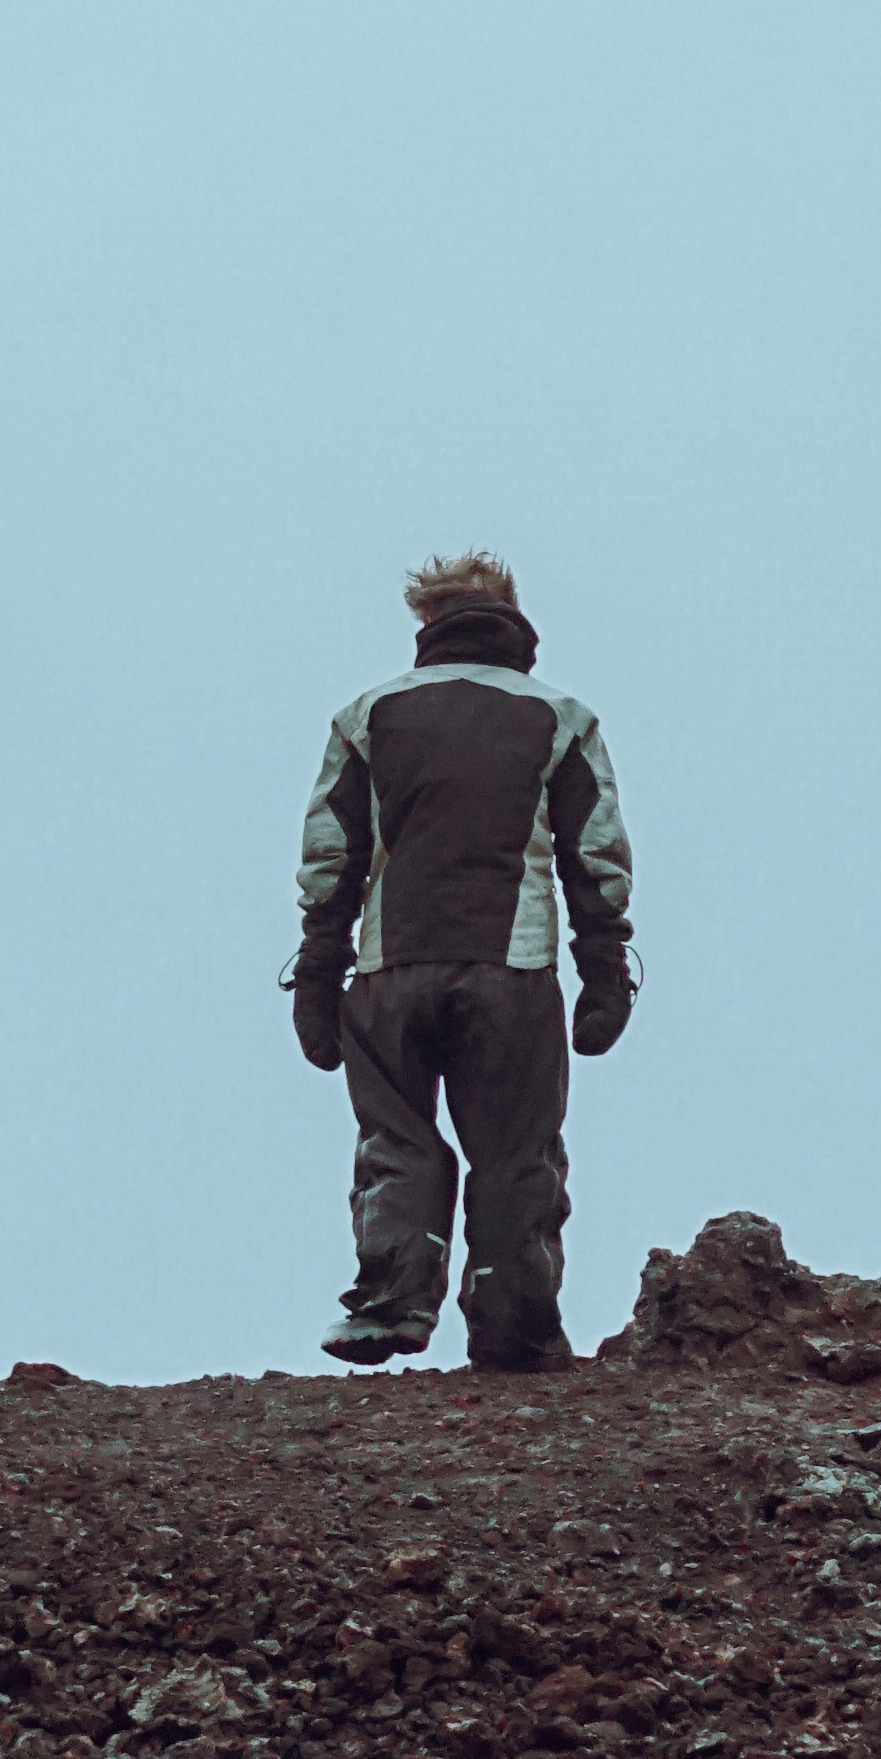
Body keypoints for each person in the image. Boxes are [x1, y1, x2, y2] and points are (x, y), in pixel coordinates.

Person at [291, 548, 633, 1373]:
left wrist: (315, 973)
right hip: (511, 968)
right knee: (516, 1151)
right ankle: (515, 1326)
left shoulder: (367, 714)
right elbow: (596, 857)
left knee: (396, 1141)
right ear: (515, 622)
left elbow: (331, 855)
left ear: (428, 626)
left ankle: (389, 1306)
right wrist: (605, 971)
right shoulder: (563, 717)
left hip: (388, 969)